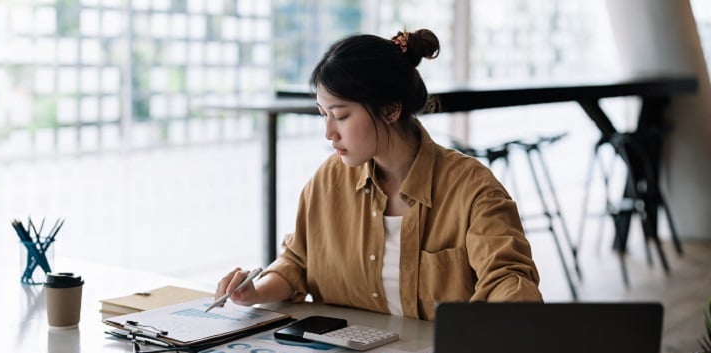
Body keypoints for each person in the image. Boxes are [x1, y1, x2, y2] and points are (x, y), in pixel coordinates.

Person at [216, 29, 542, 320]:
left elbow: (508, 280)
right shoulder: (327, 183)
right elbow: (297, 263)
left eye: (341, 115)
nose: (329, 132)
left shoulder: (472, 190)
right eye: (323, 115)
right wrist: (255, 291)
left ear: (390, 109)